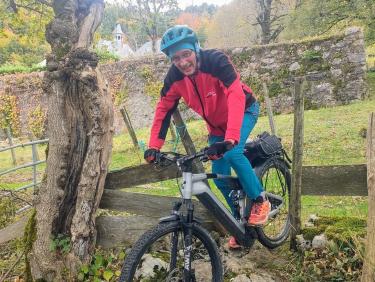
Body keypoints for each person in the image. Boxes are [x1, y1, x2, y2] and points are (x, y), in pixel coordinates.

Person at [143, 25, 270, 249]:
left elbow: (235, 95)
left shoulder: (215, 61)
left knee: (233, 153)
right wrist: (154, 146)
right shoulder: (174, 78)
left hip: (244, 111)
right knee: (219, 177)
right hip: (216, 128)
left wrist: (231, 138)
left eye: (186, 54)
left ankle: (260, 199)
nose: (182, 62)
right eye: (175, 58)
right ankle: (239, 223)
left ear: (195, 48)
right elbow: (163, 109)